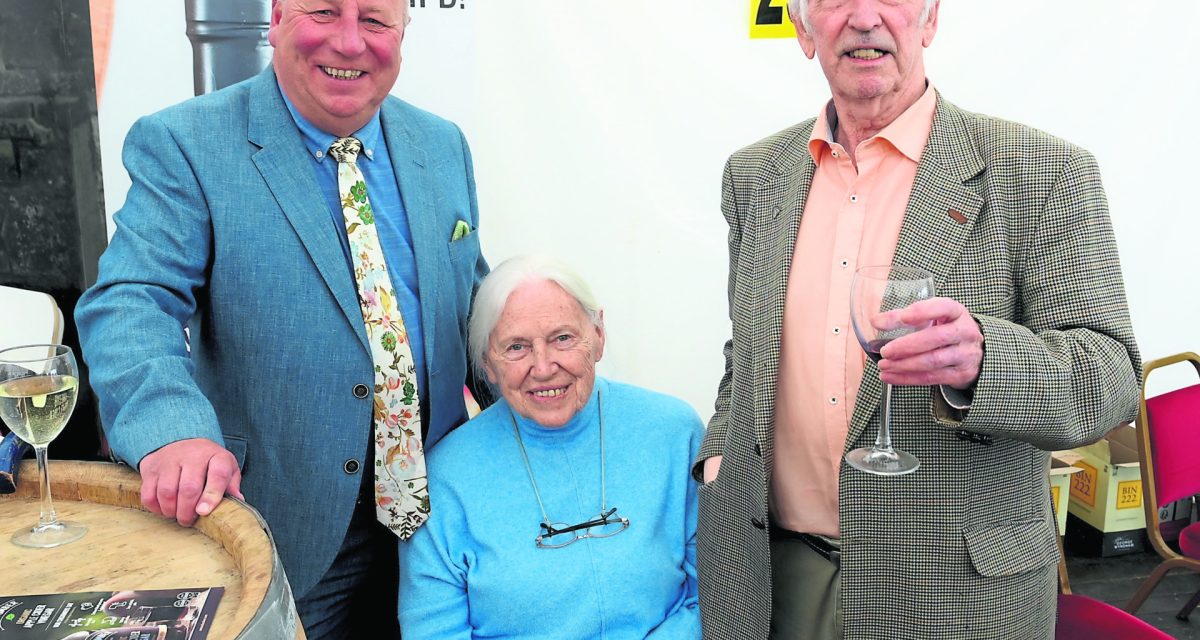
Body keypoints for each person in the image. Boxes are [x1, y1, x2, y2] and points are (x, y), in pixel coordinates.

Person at [694, 1, 1141, 638]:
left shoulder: (1042, 171)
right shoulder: (753, 175)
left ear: (930, 20)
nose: (864, 17)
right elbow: (749, 361)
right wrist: (719, 463)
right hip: (770, 577)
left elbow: (1112, 381)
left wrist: (985, 363)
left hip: (954, 591)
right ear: (800, 26)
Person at [74, 0, 487, 637]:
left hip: (442, 525)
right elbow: (132, 299)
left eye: (375, 21)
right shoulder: (187, 142)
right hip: (283, 528)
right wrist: (170, 429)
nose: (350, 43)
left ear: (403, 31)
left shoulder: (442, 143)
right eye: (324, 12)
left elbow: (472, 302)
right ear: (276, 19)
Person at [398, 255, 702, 639]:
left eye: (562, 338)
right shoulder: (445, 477)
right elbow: (433, 630)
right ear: (487, 364)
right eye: (516, 347)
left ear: (598, 337)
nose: (543, 368)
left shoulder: (675, 433)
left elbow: (713, 593)